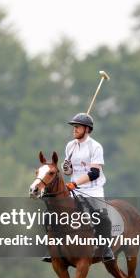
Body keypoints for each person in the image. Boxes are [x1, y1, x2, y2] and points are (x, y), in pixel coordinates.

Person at [42, 112, 115, 262]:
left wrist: (75, 183)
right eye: (73, 127)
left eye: (77, 127)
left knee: (102, 218)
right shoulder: (70, 146)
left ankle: (106, 249)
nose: (74, 129)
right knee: (51, 214)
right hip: (73, 188)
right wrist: (67, 168)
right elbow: (69, 171)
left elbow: (94, 173)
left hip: (93, 189)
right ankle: (53, 248)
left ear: (87, 129)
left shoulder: (95, 147)